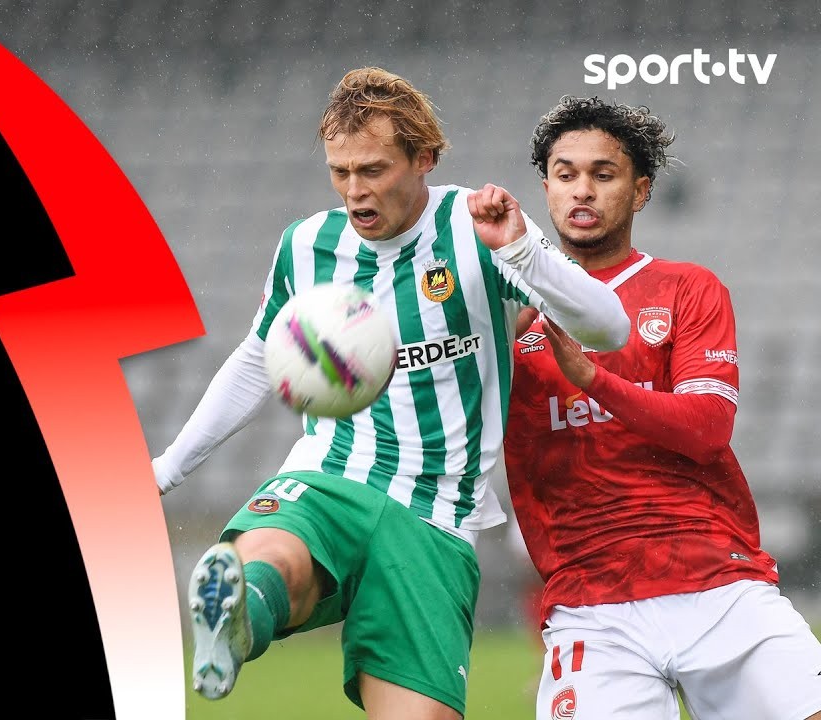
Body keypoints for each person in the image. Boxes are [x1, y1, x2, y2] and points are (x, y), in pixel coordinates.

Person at [152, 67, 630, 720]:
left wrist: (522, 251)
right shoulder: (307, 245)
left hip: (436, 513)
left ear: (424, 158)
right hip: (332, 475)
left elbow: (608, 327)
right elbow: (257, 360)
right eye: (340, 172)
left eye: (373, 170)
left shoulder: (477, 226)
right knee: (270, 556)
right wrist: (166, 470)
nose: (355, 190)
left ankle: (248, 609)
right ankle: (241, 614)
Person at [504, 95, 821, 720]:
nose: (582, 190)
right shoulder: (506, 316)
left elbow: (707, 428)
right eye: (566, 174)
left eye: (604, 173)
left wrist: (593, 379)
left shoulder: (686, 288)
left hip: (717, 581)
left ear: (641, 191)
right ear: (546, 190)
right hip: (589, 603)